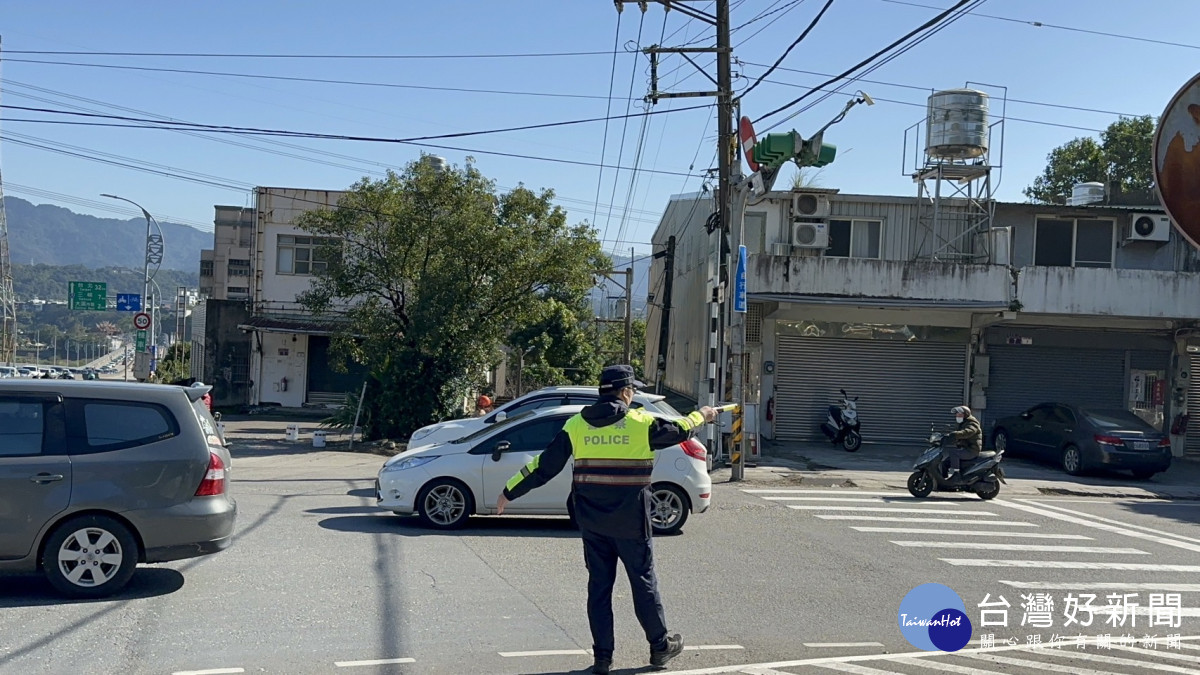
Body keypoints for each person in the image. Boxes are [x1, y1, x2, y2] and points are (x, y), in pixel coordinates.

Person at [495, 365, 716, 675]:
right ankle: (659, 647)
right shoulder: (640, 422)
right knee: (643, 583)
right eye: (633, 390)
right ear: (625, 392)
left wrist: (509, 491)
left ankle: (602, 658)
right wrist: (702, 415)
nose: (634, 395)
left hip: (592, 523)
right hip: (631, 522)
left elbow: (544, 466)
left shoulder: (576, 425)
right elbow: (680, 429)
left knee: (599, 588)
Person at [946, 405, 982, 480]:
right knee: (945, 461)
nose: (957, 416)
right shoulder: (962, 423)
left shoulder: (972, 423)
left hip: (971, 450)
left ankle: (956, 474)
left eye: (959, 414)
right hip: (964, 448)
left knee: (953, 453)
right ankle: (943, 479)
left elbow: (968, 432)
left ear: (965, 415)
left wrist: (955, 434)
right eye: (956, 414)